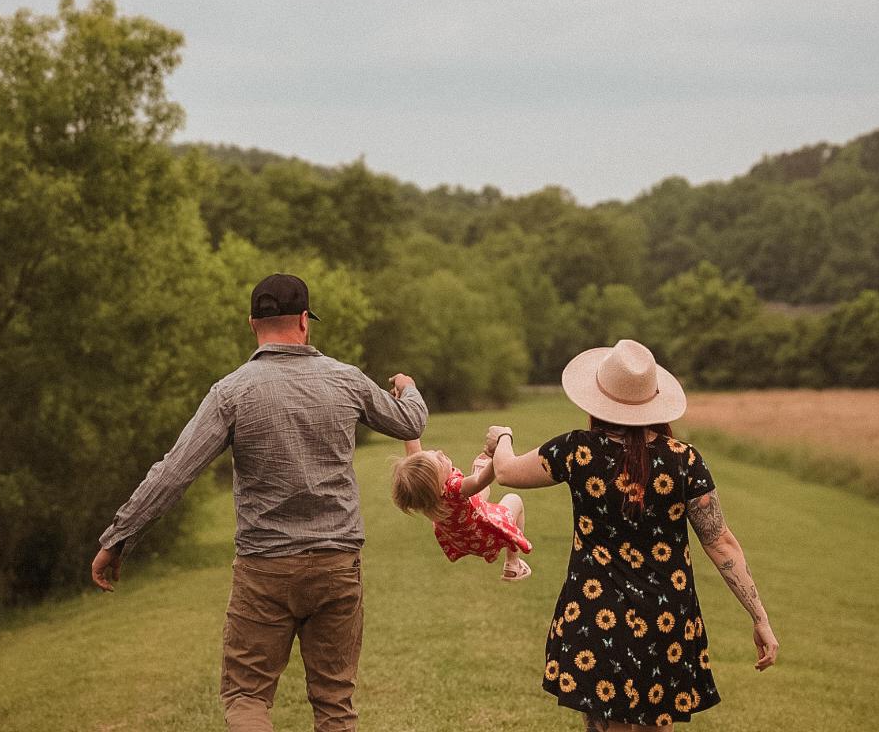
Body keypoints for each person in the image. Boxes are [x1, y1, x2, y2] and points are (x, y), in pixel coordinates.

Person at [90, 273, 428, 732]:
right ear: (305, 321)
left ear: (252, 323)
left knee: (247, 696)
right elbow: (410, 423)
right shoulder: (346, 379)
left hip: (264, 568)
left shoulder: (231, 392)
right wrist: (407, 386)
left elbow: (174, 473)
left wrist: (119, 537)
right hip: (337, 564)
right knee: (335, 702)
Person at [486, 339, 778, 731]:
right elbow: (720, 542)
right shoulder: (685, 461)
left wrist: (502, 436)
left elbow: (506, 471)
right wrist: (760, 617)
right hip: (666, 623)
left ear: (597, 400)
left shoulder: (577, 450)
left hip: (596, 615)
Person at [391, 438, 532, 581]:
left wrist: (410, 432)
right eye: (439, 460)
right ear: (440, 486)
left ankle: (477, 472)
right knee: (514, 499)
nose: (440, 452)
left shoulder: (425, 496)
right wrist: (497, 456)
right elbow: (480, 481)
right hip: (486, 535)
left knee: (482, 492)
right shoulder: (454, 488)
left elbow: (415, 458)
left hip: (462, 539)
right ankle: (513, 564)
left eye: (432, 453)